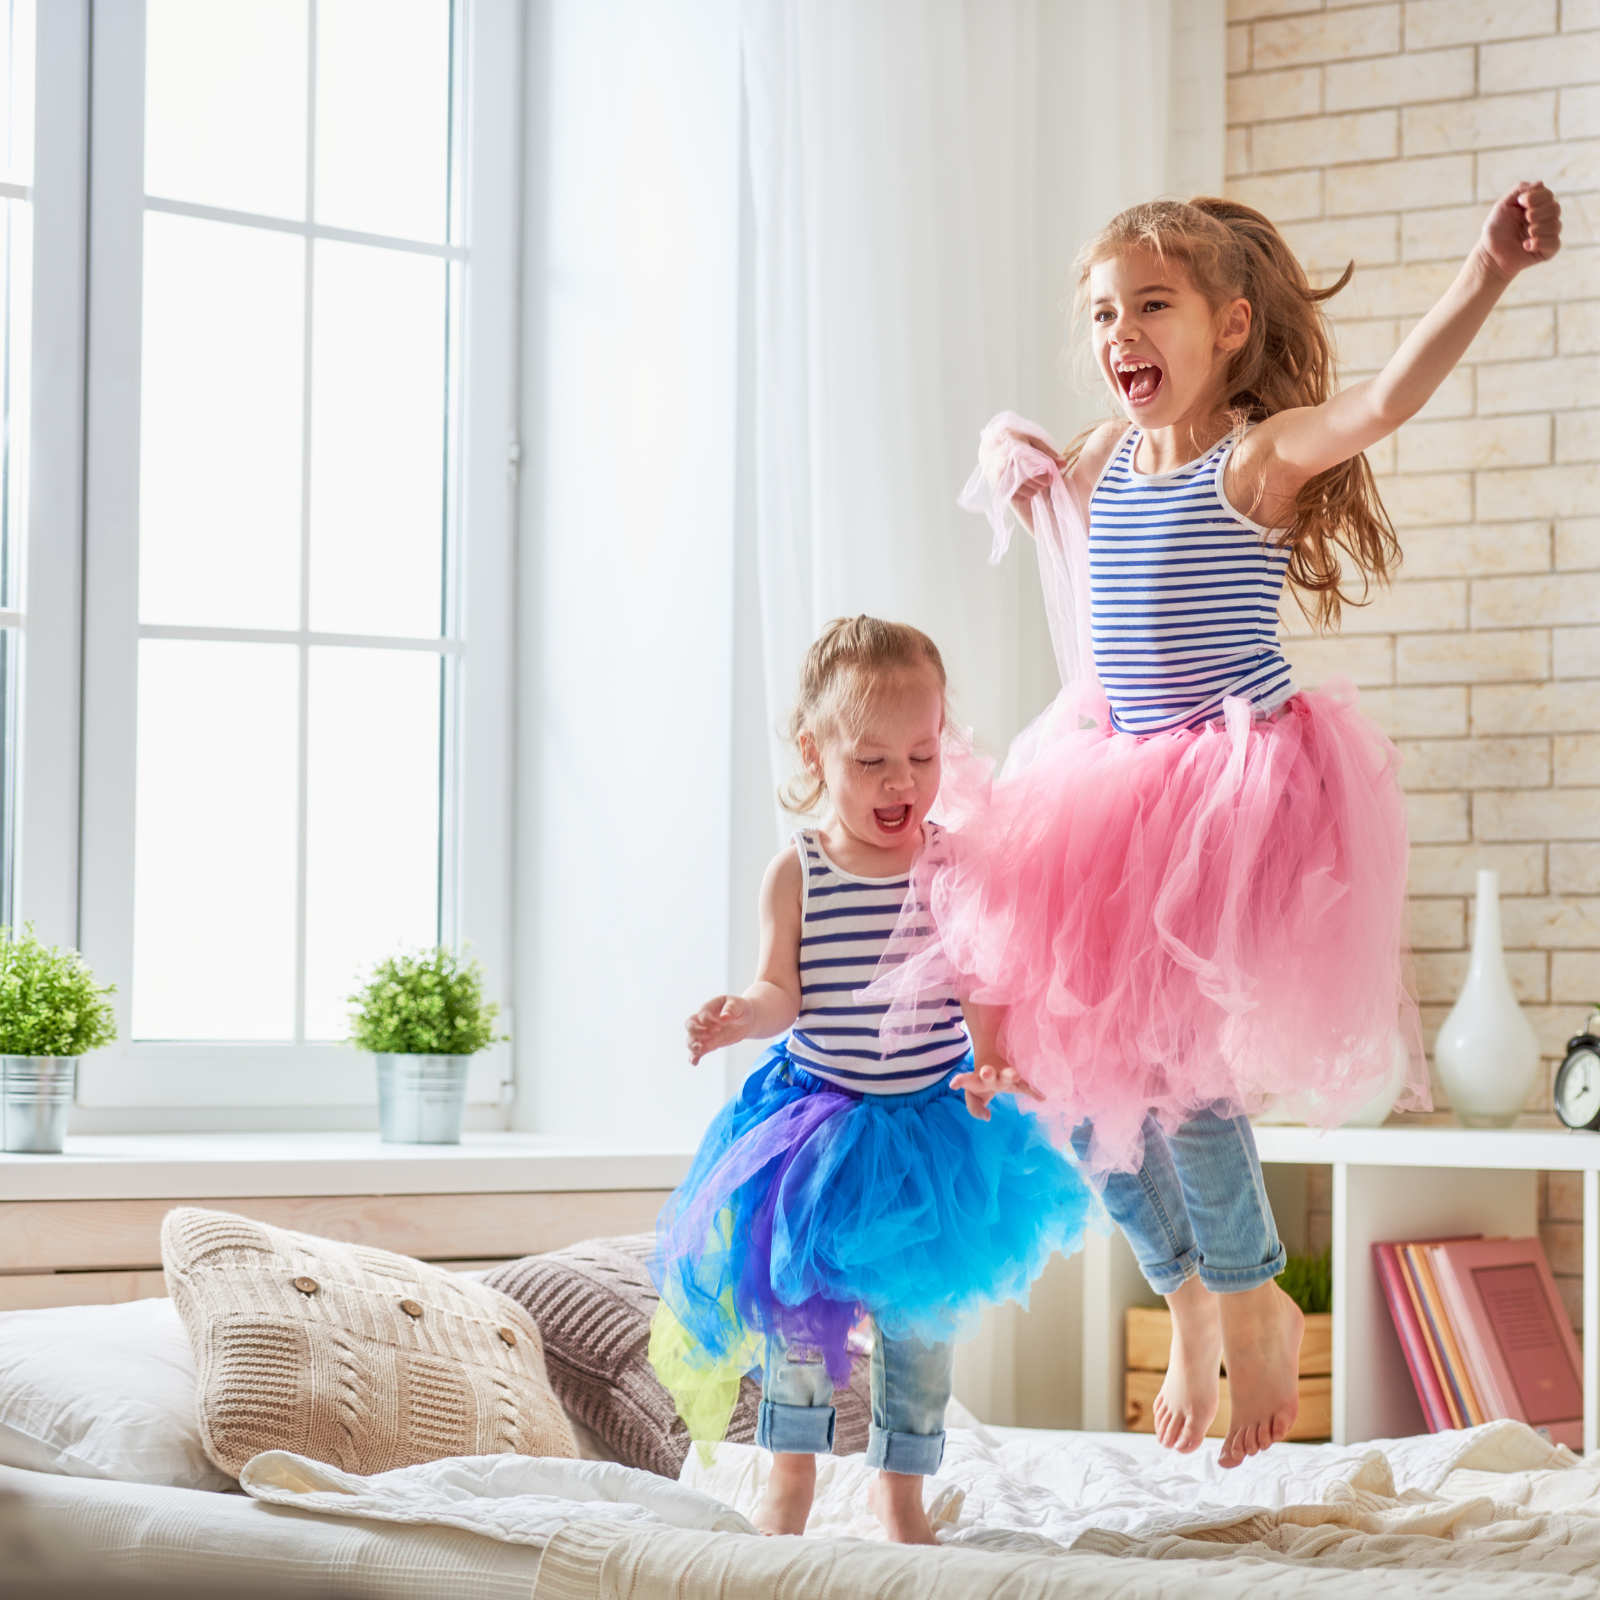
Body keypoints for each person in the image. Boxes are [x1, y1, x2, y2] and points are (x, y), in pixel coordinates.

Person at [870, 185, 1562, 1469]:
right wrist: (1018, 473)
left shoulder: (1254, 457)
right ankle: (1182, 1289)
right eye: (1100, 313)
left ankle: (1248, 1287)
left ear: (1229, 326)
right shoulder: (1098, 457)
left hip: (1223, 799)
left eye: (1149, 306)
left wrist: (1482, 267)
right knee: (1069, 1083)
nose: (1117, 331)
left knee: (1181, 1071)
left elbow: (1383, 403)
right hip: (1102, 780)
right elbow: (1074, 571)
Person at [649, 615, 1098, 1544]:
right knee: (799, 1322)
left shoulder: (952, 869)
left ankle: (900, 1491)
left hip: (928, 1129)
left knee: (918, 1326)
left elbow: (979, 983)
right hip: (817, 1127)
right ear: (815, 755)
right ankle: (792, 1478)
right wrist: (742, 1012)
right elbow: (784, 989)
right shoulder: (799, 872)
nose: (901, 783)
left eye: (921, 756)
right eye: (871, 762)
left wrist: (991, 1060)